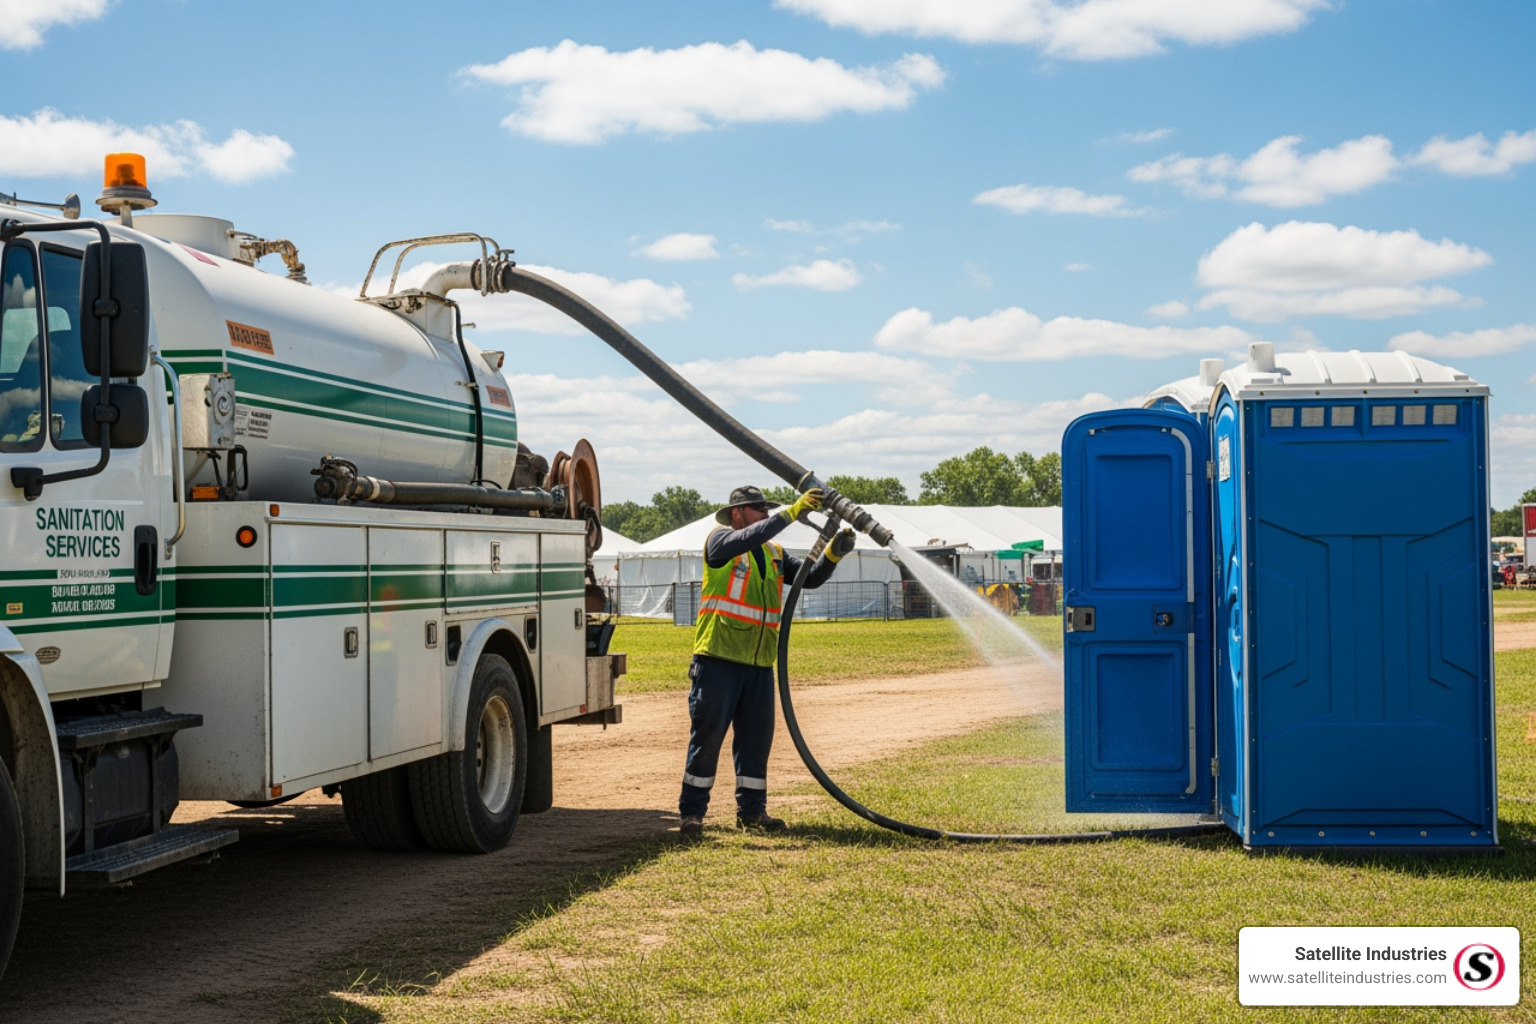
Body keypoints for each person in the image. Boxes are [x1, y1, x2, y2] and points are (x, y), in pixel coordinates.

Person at [678, 485, 855, 836]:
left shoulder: (773, 553)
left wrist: (832, 556)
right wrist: (790, 512)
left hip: (759, 664)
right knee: (708, 738)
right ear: (737, 513)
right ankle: (693, 814)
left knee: (756, 742)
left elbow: (811, 579)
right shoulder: (720, 541)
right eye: (759, 508)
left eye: (767, 508)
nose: (764, 513)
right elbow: (756, 533)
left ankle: (752, 812)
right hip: (718, 658)